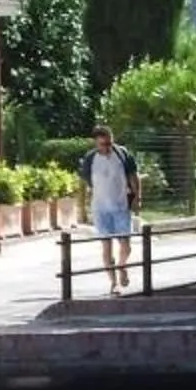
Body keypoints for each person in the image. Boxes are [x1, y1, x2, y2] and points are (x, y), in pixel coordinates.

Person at [79, 124, 141, 294]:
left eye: (109, 143)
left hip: (120, 206)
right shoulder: (90, 159)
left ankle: (122, 266)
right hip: (100, 208)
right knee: (106, 247)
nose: (107, 148)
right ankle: (113, 283)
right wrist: (82, 207)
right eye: (103, 144)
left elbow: (133, 176)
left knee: (126, 246)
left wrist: (137, 197)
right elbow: (83, 184)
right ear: (96, 144)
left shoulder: (122, 154)